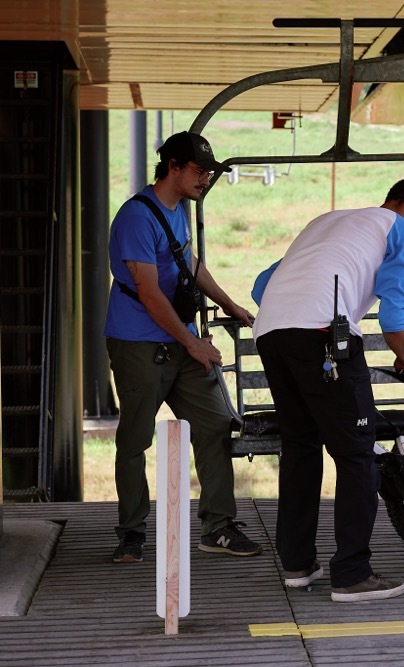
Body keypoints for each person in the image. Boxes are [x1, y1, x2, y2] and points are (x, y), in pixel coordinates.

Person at [251, 177, 404, 603]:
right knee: (357, 453)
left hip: (272, 333)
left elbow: (261, 286)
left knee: (300, 447)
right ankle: (352, 574)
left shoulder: (330, 221)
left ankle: (298, 564)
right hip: (323, 333)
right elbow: (394, 303)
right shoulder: (402, 230)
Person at [104, 131, 262, 564]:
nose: (205, 180)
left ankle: (218, 527)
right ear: (173, 166)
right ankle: (132, 534)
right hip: (140, 342)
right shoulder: (136, 217)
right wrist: (193, 342)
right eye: (198, 171)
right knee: (134, 440)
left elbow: (188, 262)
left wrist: (229, 304)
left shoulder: (178, 212)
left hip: (181, 341)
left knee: (214, 425)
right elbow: (149, 293)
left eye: (209, 173)